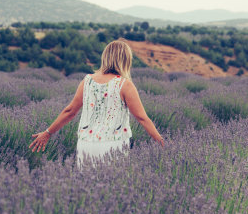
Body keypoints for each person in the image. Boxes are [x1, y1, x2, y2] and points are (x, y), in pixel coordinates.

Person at [29, 39, 164, 167]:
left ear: (105, 57)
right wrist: (161, 142)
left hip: (86, 145)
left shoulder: (87, 81)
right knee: (112, 188)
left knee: (87, 187)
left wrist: (47, 133)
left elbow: (70, 112)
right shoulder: (124, 84)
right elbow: (142, 118)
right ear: (126, 60)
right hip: (113, 145)